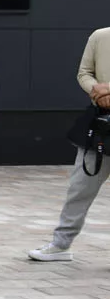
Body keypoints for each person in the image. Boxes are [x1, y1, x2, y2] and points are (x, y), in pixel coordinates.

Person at [28, 25, 110, 261]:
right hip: (101, 126)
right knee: (80, 187)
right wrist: (97, 91)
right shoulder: (100, 36)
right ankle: (60, 245)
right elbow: (84, 73)